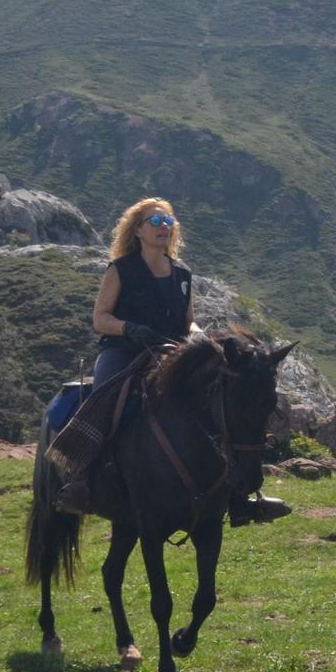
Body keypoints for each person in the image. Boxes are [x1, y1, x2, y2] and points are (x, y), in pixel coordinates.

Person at [54, 198, 288, 526]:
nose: (164, 226)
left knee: (217, 408)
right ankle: (80, 482)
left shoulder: (181, 274)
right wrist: (130, 328)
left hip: (171, 352)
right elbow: (100, 318)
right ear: (137, 230)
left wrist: (198, 338)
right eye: (155, 221)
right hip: (122, 351)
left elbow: (188, 320)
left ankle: (238, 496)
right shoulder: (120, 269)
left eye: (168, 221)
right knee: (104, 400)